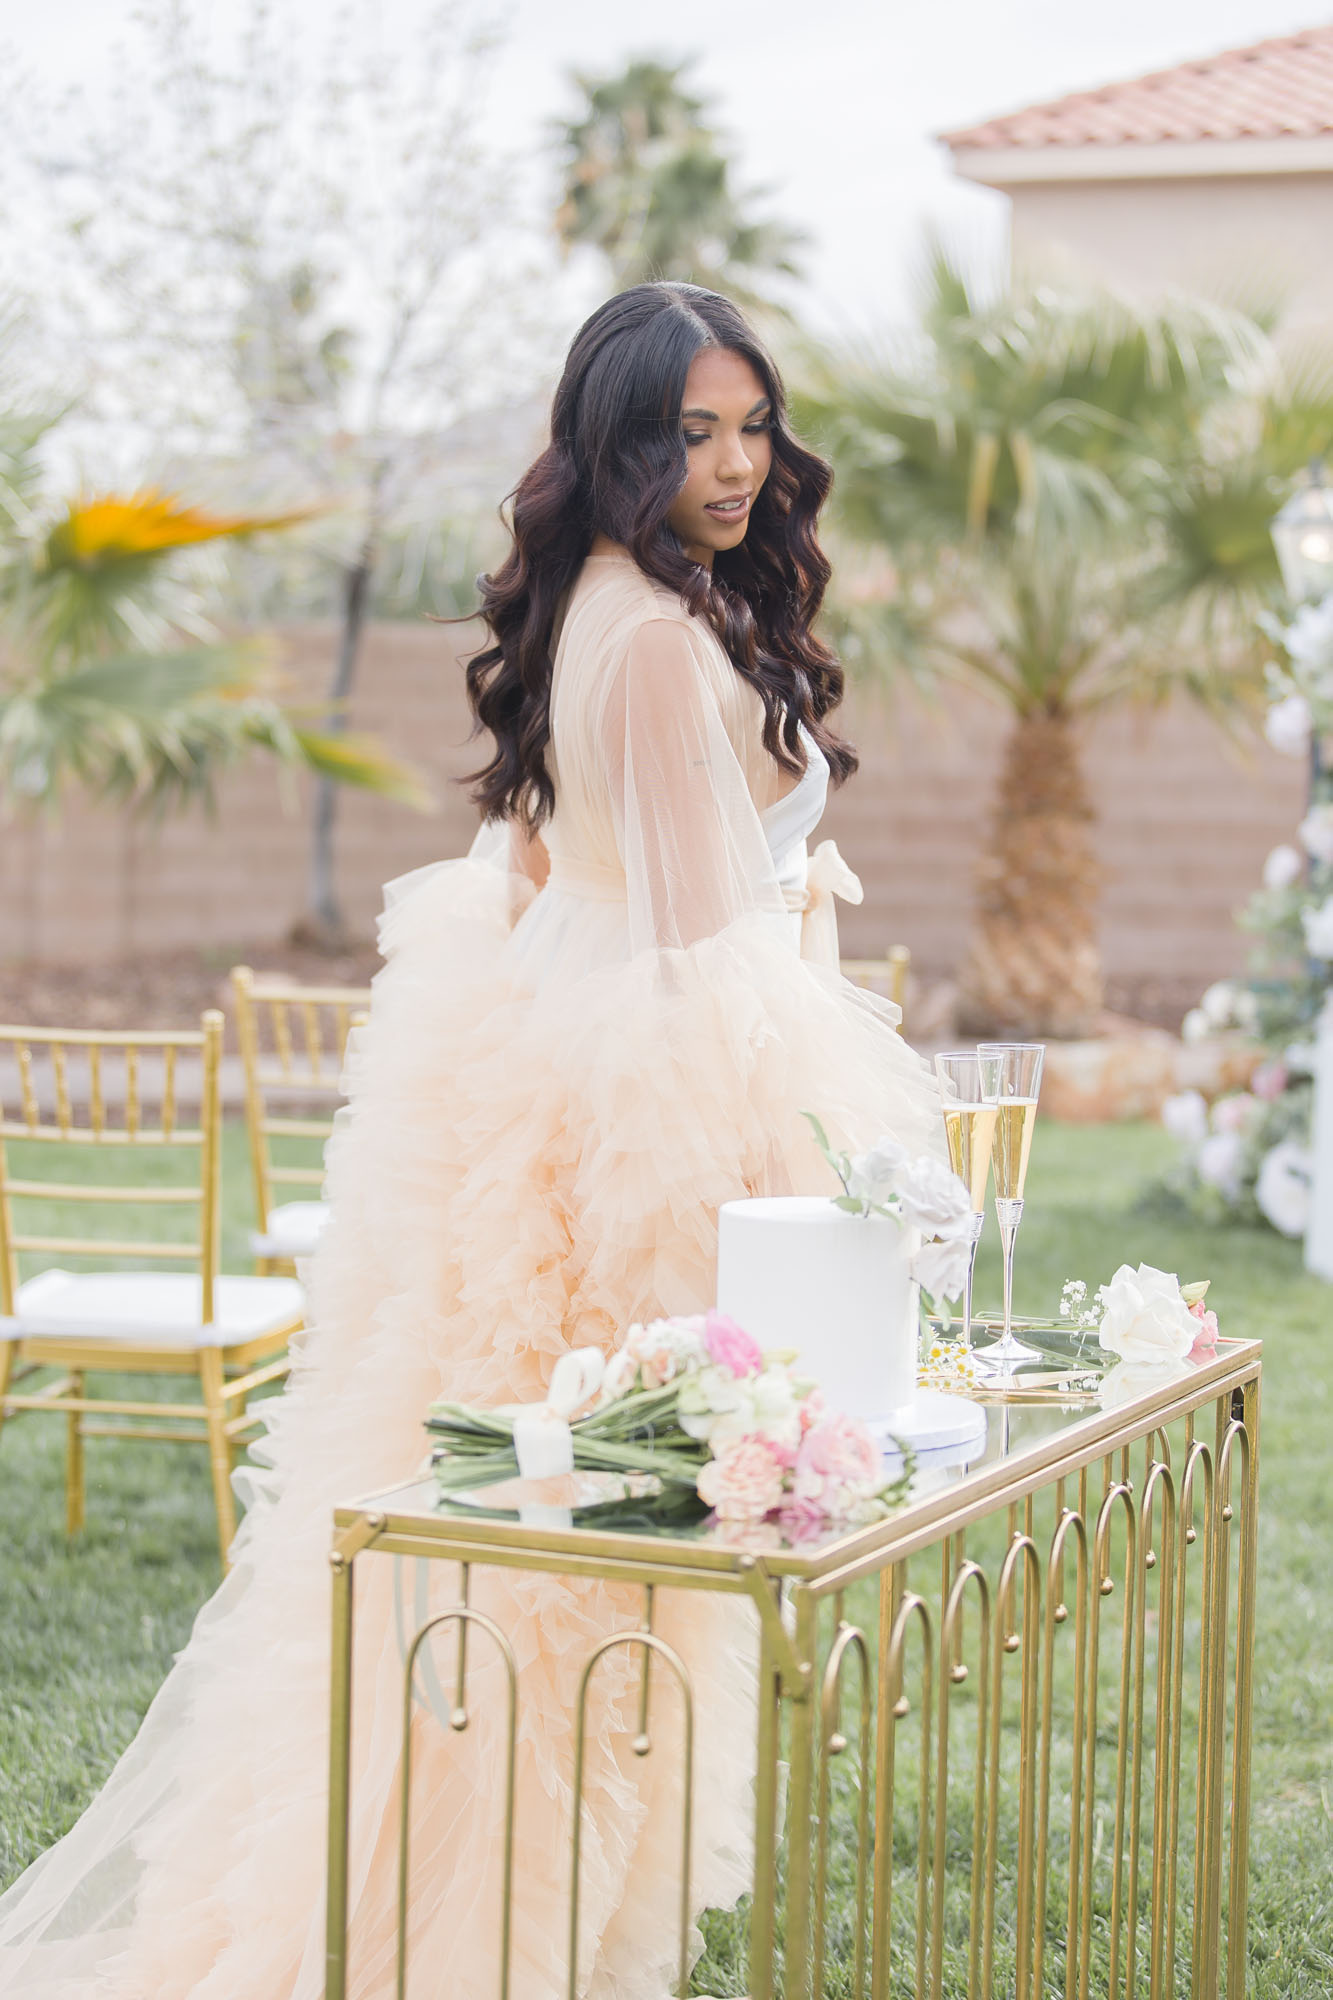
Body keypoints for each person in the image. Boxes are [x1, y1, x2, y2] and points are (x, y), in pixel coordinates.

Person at [0, 282, 938, 1997]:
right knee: (564, 1578)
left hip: (545, 1085)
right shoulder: (653, 639)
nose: (732, 466)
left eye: (749, 427)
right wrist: (808, 1067)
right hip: (627, 1112)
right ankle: (473, 1947)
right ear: (614, 441)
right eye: (688, 433)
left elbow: (538, 879)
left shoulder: (607, 601)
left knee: (517, 1557)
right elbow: (690, 950)